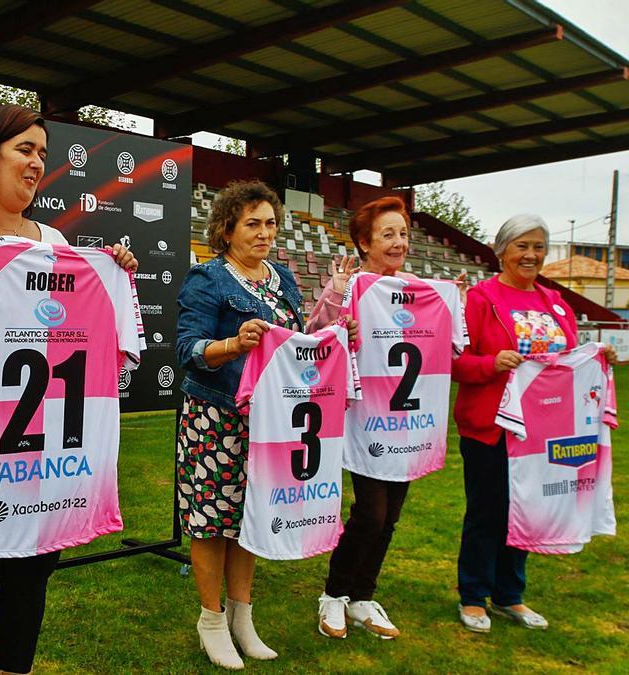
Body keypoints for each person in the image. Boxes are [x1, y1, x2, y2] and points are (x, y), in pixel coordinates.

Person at [0, 103, 135, 675]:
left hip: (45, 437)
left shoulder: (58, 244)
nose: (38, 162)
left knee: (34, 566)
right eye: (24, 149)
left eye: (43, 152)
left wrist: (110, 272)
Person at [307, 197, 463, 640]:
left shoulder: (421, 288)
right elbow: (317, 337)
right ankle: (334, 595)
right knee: (370, 515)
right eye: (388, 234)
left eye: (404, 234)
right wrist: (338, 300)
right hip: (367, 420)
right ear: (364, 242)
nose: (399, 243)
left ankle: (362, 597)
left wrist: (454, 303)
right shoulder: (352, 285)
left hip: (409, 423)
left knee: (391, 516)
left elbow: (451, 349)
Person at [450, 214, 614, 634]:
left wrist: (597, 360)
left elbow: (567, 363)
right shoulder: (481, 299)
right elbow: (455, 362)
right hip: (490, 426)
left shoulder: (555, 303)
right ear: (502, 250)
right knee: (489, 512)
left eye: (539, 246)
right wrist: (491, 363)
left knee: (527, 510)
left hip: (541, 431)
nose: (531, 255)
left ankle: (510, 596)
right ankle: (473, 596)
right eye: (522, 245)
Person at [174, 181, 298, 670]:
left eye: (270, 223)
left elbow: (294, 340)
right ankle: (210, 618)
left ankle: (242, 617)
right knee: (211, 522)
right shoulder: (208, 278)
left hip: (269, 419)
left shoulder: (282, 278)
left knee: (250, 520)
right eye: (253, 223)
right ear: (226, 230)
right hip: (216, 418)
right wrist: (233, 343)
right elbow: (187, 349)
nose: (264, 233)